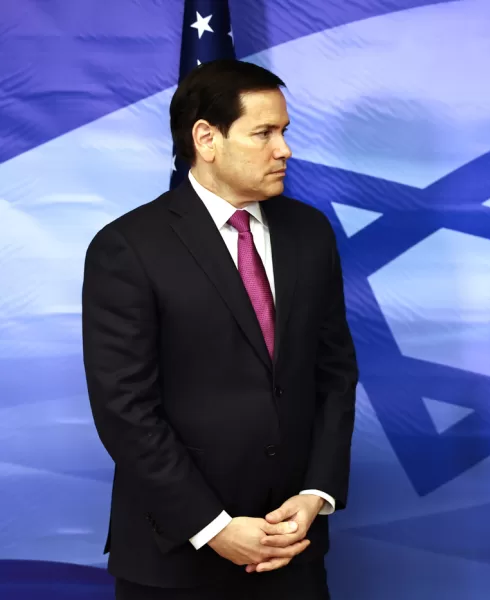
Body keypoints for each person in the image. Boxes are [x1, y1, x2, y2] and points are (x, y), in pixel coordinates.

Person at [82, 59, 358, 600]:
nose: (285, 149)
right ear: (206, 139)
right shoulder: (129, 247)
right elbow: (125, 410)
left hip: (292, 551)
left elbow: (334, 373)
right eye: (264, 133)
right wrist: (214, 527)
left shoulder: (310, 232)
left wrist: (317, 494)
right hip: (176, 559)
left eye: (285, 131)